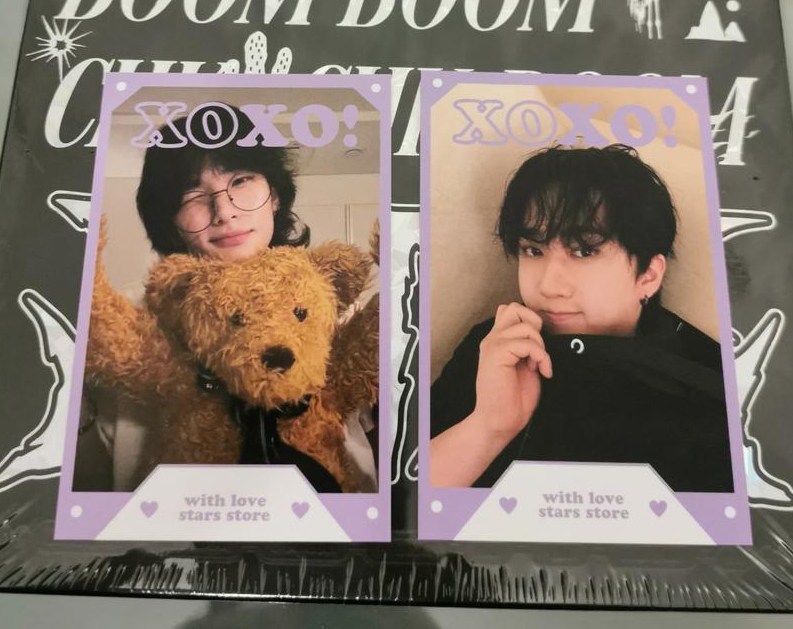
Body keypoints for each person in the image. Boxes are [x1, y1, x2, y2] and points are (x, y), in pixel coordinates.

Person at [75, 103, 377, 492]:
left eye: (241, 180)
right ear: (171, 219)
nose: (224, 211)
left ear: (275, 196)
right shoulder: (128, 313)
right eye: (191, 194)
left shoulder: (329, 304)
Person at [429, 144, 734, 493]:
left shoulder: (709, 384)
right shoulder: (496, 346)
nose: (548, 286)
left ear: (648, 275)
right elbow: (400, 505)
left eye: (584, 251)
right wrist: (488, 428)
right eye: (533, 250)